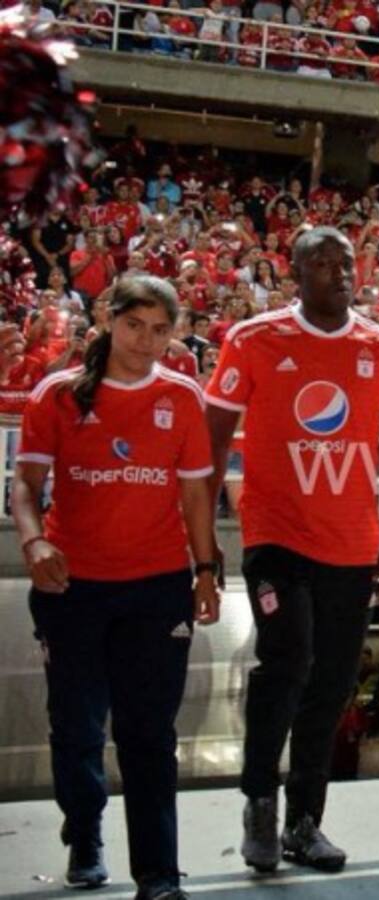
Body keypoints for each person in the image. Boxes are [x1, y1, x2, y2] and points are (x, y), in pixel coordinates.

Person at [204, 226, 379, 874]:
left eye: (346, 262)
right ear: (295, 273)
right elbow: (213, 441)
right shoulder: (254, 339)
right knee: (288, 658)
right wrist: (204, 536)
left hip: (351, 544)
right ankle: (260, 807)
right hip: (276, 533)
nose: (338, 273)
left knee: (330, 682)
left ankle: (305, 821)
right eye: (322, 263)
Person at [12, 275, 220, 900]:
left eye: (161, 329)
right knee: (76, 726)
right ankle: (85, 832)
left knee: (150, 734)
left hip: (157, 589)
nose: (146, 341)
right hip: (72, 588)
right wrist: (33, 541)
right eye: (135, 325)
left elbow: (194, 494)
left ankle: (158, 874)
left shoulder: (183, 397)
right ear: (109, 318)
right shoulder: (57, 394)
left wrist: (205, 571)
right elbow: (24, 486)